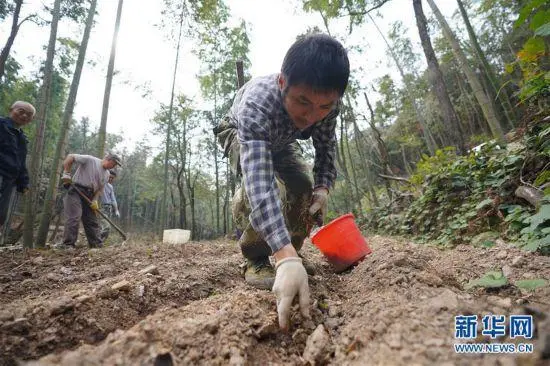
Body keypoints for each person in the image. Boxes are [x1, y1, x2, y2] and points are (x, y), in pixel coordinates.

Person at [214, 33, 349, 330]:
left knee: (301, 184)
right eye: (303, 101)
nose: (312, 116)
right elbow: (259, 180)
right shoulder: (257, 104)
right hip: (240, 131)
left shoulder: (327, 107)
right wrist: (281, 255)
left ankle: (292, 253)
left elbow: (326, 148)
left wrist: (323, 188)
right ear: (281, 84)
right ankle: (259, 257)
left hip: (282, 139)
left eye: (323, 107)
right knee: (268, 189)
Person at [59, 153, 122, 249]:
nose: (114, 166)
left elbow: (100, 189)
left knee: (92, 220)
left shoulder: (107, 174)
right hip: (76, 190)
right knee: (74, 216)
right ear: (108, 159)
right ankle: (68, 244)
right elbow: (70, 157)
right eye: (114, 163)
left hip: (90, 195)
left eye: (115, 165)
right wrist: (66, 173)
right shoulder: (90, 160)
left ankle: (96, 245)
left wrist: (95, 200)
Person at [0, 101, 35, 227]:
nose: (25, 116)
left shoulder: (22, 138)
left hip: (9, 180)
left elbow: (20, 162)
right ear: (11, 110)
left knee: (2, 214)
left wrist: (24, 182)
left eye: (29, 115)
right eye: (21, 111)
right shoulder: (1, 125)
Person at [99, 170, 120, 241]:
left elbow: (113, 199)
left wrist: (116, 210)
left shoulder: (110, 187)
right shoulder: (100, 182)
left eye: (112, 178)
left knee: (104, 227)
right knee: (106, 227)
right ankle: (97, 240)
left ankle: (101, 242)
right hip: (100, 207)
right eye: (110, 177)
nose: (111, 179)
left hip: (109, 208)